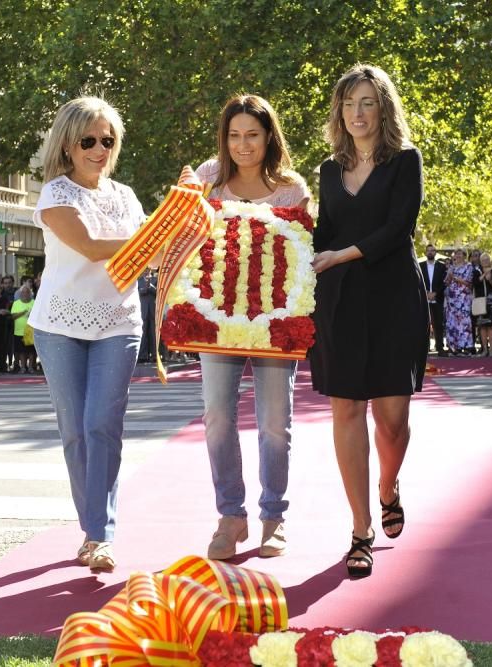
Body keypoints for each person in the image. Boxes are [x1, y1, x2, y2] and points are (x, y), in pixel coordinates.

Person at [310, 64, 428, 578]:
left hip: (393, 296)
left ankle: (389, 486)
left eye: (367, 103)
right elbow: (322, 233)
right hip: (339, 301)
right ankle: (361, 530)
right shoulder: (328, 170)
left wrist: (340, 255)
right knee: (346, 413)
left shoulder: (405, 161)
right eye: (348, 103)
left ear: (384, 108)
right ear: (339, 111)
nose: (357, 113)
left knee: (393, 419)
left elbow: (397, 229)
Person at [28, 96, 153, 574]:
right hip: (58, 325)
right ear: (68, 143)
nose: (100, 149)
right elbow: (91, 246)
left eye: (109, 140)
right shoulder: (55, 195)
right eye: (89, 140)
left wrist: (184, 228)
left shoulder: (126, 196)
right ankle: (93, 528)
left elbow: (149, 257)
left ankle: (100, 535)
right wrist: (156, 235)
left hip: (119, 323)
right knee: (76, 430)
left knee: (103, 424)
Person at [193, 94, 311, 561]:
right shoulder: (206, 180)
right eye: (234, 135)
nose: (243, 145)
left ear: (269, 137)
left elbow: (300, 253)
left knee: (275, 424)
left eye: (253, 135)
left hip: (274, 320)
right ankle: (230, 516)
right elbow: (185, 237)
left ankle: (273, 517)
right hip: (217, 319)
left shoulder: (291, 188)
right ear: (224, 139)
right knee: (217, 417)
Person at [444, 248, 475, 355]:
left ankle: (466, 347)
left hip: (463, 298)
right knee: (452, 323)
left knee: (464, 323)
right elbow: (447, 282)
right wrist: (449, 275)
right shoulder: (452, 267)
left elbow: (468, 282)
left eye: (459, 254)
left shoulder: (469, 266)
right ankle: (453, 347)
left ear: (464, 255)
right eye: (456, 254)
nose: (457, 256)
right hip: (452, 300)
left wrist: (455, 278)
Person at [419, 243, 447, 355]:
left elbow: (444, 282)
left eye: (432, 250)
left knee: (438, 324)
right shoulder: (420, 266)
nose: (430, 252)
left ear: (435, 253)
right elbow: (418, 281)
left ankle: (439, 347)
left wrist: (435, 293)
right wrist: (426, 293)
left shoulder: (441, 266)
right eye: (428, 250)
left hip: (438, 298)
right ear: (425, 253)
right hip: (424, 299)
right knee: (424, 324)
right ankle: (425, 348)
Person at [473, 252, 492, 356]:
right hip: (481, 301)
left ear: (490, 260)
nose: (485, 261)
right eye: (483, 260)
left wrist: (490, 280)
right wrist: (485, 274)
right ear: (480, 262)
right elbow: (475, 283)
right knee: (482, 326)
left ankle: (491, 350)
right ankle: (484, 349)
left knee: (491, 326)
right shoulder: (477, 271)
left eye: (487, 259)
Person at [11, 285, 36, 373]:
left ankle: (30, 367)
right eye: (23, 292)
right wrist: (23, 312)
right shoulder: (16, 303)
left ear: (30, 293)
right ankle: (23, 367)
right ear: (20, 294)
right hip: (19, 331)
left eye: (27, 292)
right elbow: (13, 316)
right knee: (21, 351)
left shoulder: (34, 302)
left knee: (31, 351)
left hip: (30, 330)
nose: (25, 294)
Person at [136, 269, 157, 363]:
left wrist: (150, 286)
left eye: (148, 270)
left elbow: (158, 292)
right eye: (145, 270)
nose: (146, 271)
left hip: (153, 310)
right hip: (142, 311)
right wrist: (145, 289)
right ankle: (143, 355)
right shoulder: (139, 280)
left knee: (153, 334)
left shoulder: (155, 280)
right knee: (143, 334)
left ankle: (155, 355)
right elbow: (137, 292)